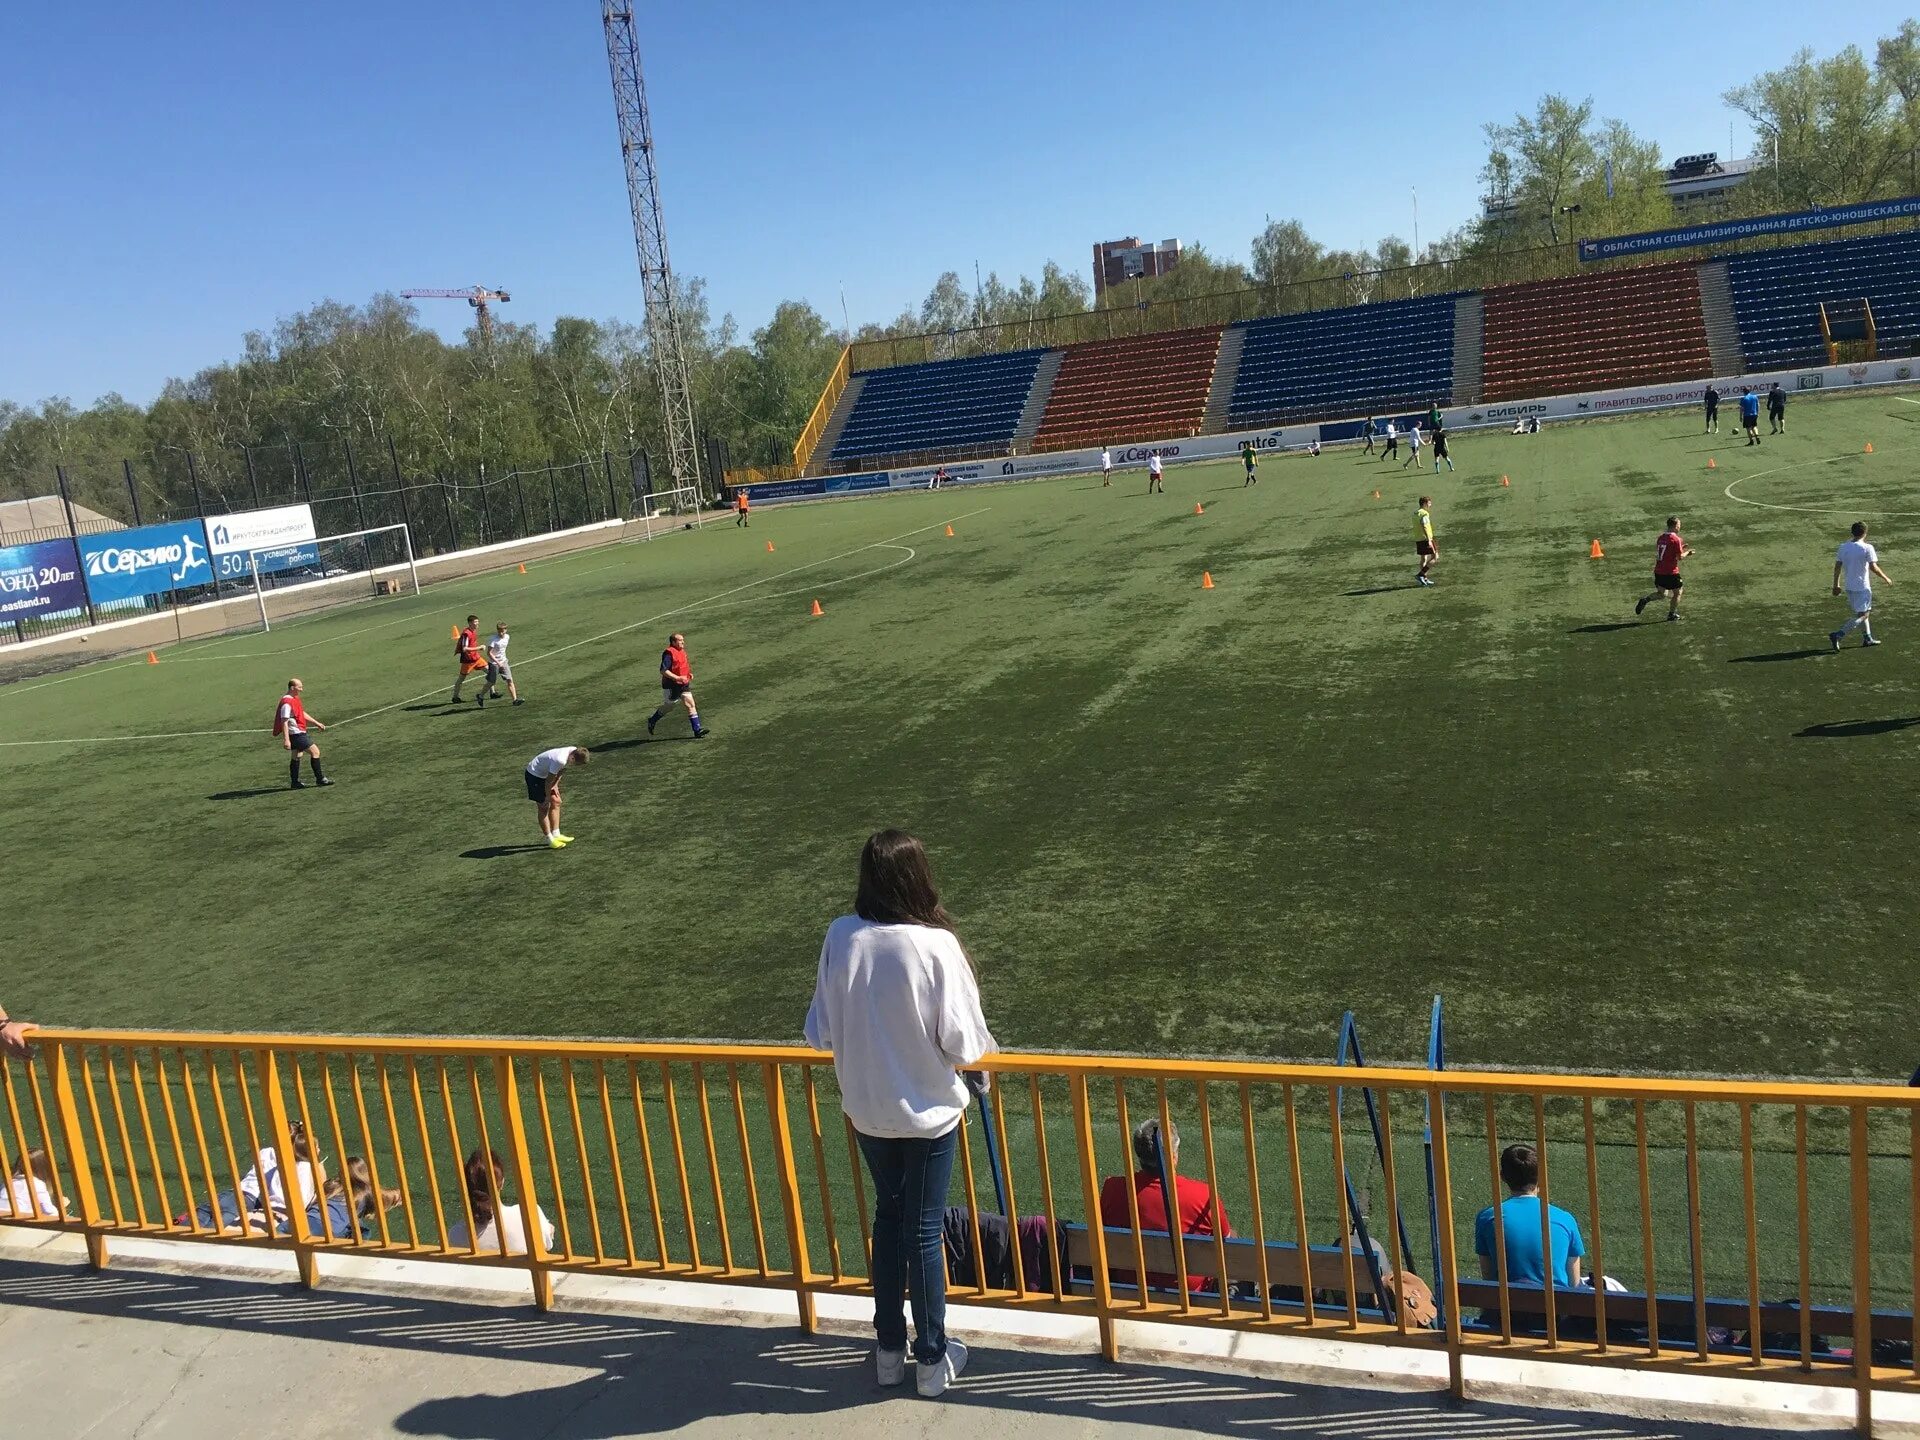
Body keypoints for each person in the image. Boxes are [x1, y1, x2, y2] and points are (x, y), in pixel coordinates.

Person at [804, 830, 995, 1400]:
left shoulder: (842, 936)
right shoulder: (934, 945)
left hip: (866, 1109)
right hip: (928, 1113)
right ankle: (932, 1359)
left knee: (890, 1221)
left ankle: (889, 1350)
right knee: (923, 1229)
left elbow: (819, 1033)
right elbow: (965, 1042)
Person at [1097, 1119, 1233, 1295]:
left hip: (1130, 1289)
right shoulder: (1203, 1195)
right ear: (1174, 1157)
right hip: (1190, 1294)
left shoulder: (1112, 1189)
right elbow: (1227, 1243)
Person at [1475, 1143, 1584, 1290]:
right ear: (1540, 1175)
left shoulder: (1488, 1218)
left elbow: (1489, 1280)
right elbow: (1574, 1285)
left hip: (1508, 1310)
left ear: (1502, 1176)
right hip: (1554, 1310)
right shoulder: (1565, 1219)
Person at [445, 1148, 556, 1255]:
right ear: (502, 1182)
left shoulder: (456, 1235)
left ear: (466, 1186)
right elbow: (545, 1245)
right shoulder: (529, 1214)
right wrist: (547, 1230)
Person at [237, 1119, 325, 1227]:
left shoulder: (281, 1165)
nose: (319, 1150)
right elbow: (312, 1198)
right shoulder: (310, 1168)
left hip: (265, 1209)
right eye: (317, 1147)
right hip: (284, 1215)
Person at [1831, 521, 1893, 651]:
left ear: (1852, 532)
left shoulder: (1843, 547)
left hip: (1849, 586)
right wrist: (1886, 577)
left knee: (1861, 612)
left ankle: (1867, 638)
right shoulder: (1867, 548)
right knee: (1863, 615)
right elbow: (1873, 567)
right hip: (1862, 586)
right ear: (1865, 532)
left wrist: (1836, 585)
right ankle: (1839, 634)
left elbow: (1837, 567)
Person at [271, 677, 332, 790]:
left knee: (297, 756)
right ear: (293, 687)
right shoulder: (286, 703)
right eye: (300, 687)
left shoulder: (294, 699)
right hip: (296, 734)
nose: (302, 689)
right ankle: (320, 779)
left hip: (296, 732)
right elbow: (284, 721)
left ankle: (295, 782)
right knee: (315, 752)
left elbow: (301, 713)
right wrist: (286, 739)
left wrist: (316, 723)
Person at [646, 632, 707, 739]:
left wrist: (688, 674)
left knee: (690, 704)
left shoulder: (682, 651)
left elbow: (681, 666)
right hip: (671, 685)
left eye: (683, 640)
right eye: (680, 640)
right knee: (669, 706)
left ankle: (697, 730)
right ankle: (652, 720)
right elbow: (663, 671)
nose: (683, 642)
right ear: (673, 642)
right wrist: (677, 678)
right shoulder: (669, 653)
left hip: (683, 684)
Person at [524, 746, 587, 848]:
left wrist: (555, 785)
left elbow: (560, 772)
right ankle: (549, 840)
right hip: (534, 776)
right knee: (543, 807)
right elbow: (548, 781)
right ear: (572, 758)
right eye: (576, 764)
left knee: (556, 801)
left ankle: (556, 834)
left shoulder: (573, 751)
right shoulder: (560, 759)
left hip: (545, 776)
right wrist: (547, 797)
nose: (575, 766)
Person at [1635, 517, 1694, 622]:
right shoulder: (1676, 539)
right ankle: (1672, 614)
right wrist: (1687, 553)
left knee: (1662, 594)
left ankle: (1645, 600)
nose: (1680, 526)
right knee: (1678, 592)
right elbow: (1679, 557)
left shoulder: (1661, 537)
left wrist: (1681, 548)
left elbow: (1667, 551)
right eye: (1679, 524)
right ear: (1675, 526)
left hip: (1658, 571)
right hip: (1670, 572)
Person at [1, 1149, 64, 1219]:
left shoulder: (9, 1183)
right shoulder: (36, 1184)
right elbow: (48, 1211)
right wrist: (61, 1207)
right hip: (18, 1224)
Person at [478, 622, 521, 708]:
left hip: (504, 662)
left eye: (503, 631)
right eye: (499, 631)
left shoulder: (507, 637)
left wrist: (502, 661)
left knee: (509, 680)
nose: (501, 633)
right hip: (494, 663)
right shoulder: (493, 640)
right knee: (491, 682)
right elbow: (489, 653)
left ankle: (515, 700)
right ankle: (480, 696)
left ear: (506, 630)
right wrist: (498, 662)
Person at [451, 615, 485, 702]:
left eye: (477, 622)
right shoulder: (467, 634)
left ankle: (492, 693)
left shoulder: (473, 631)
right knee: (461, 679)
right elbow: (464, 648)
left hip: (476, 658)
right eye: (475, 622)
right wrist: (479, 648)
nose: (477, 624)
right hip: (468, 660)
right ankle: (455, 697)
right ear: (470, 623)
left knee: (491, 672)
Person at [1415, 497, 1438, 587]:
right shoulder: (1424, 514)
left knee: (1423, 558)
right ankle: (1421, 574)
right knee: (1435, 557)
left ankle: (1424, 578)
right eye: (1429, 503)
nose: (1430, 505)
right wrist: (1429, 539)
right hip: (1426, 539)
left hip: (1418, 538)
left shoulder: (1416, 513)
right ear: (1424, 503)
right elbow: (1424, 526)